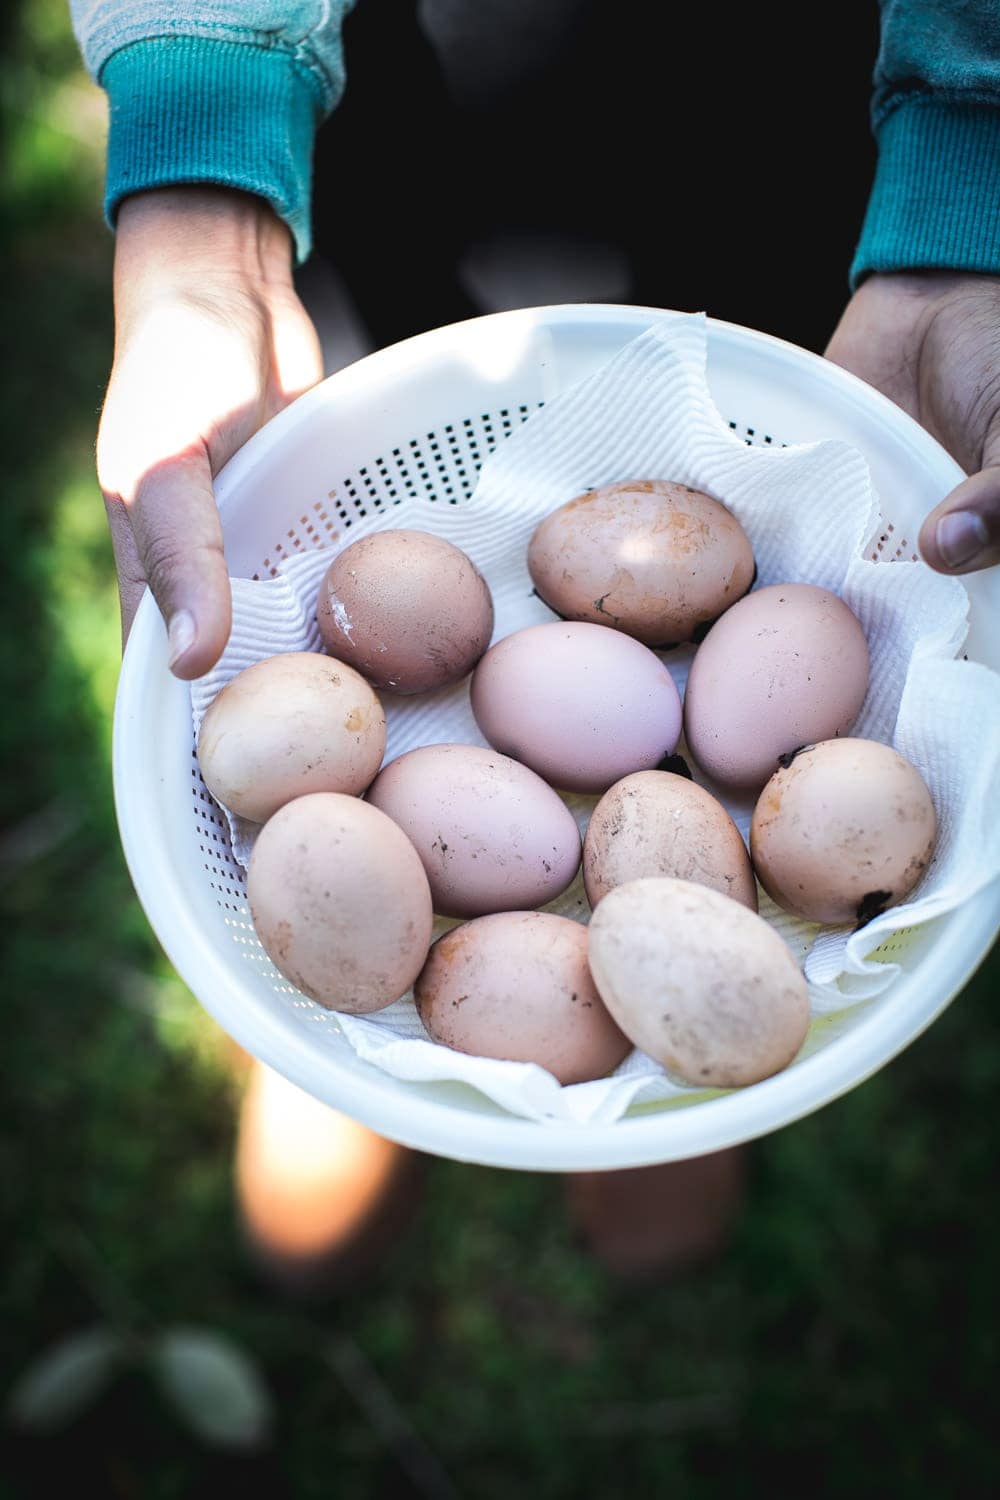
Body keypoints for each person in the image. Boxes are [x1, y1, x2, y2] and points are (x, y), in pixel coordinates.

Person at [69, 0, 1000, 1281]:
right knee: (345, 409)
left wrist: (972, 151)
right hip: (397, 72)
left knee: (768, 332)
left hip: (820, 83)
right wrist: (207, 160)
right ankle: (360, 1015)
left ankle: (650, 1057)